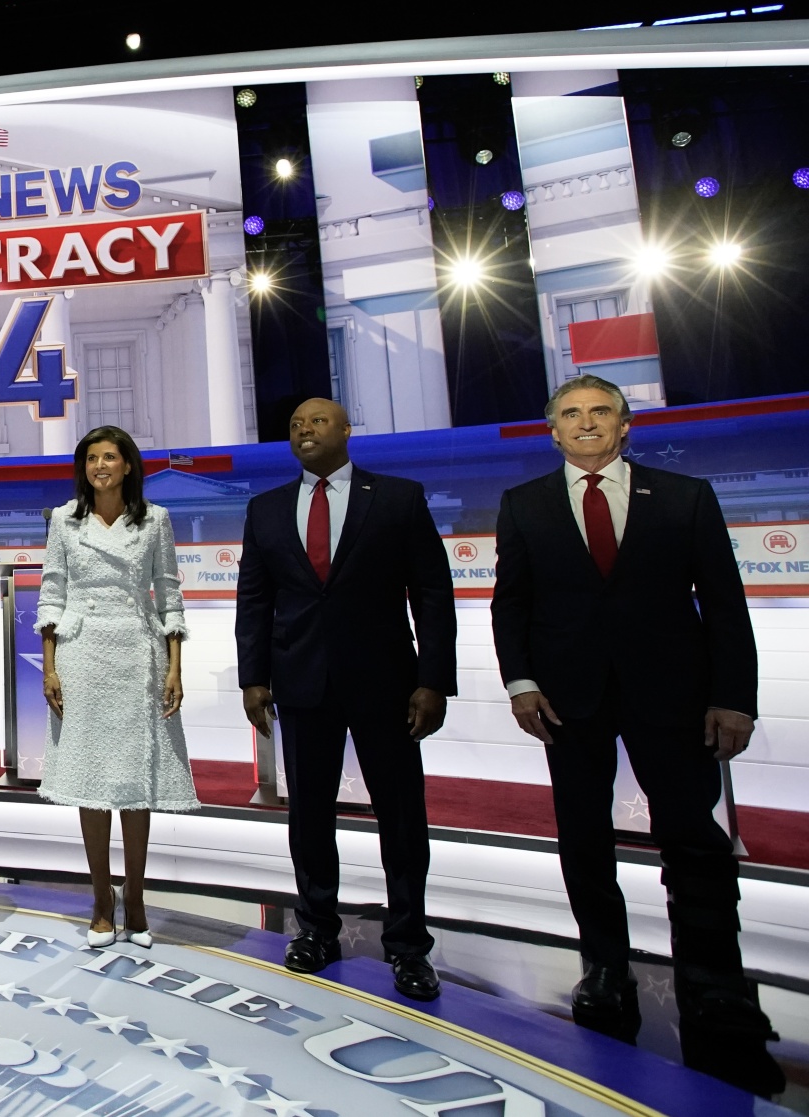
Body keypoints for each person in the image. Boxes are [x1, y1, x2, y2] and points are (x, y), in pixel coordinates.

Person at [493, 375, 781, 1095]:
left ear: (626, 426)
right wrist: (521, 683)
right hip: (568, 699)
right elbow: (512, 605)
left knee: (693, 837)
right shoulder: (523, 504)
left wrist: (733, 698)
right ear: (552, 430)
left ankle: (715, 982)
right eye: (571, 414)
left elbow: (723, 605)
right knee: (583, 837)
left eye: (600, 412)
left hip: (674, 697)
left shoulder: (684, 498)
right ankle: (604, 967)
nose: (585, 423)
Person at [236, 397, 455, 1000]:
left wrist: (433, 680)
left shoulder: (400, 498)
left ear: (347, 431)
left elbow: (432, 594)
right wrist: (252, 678)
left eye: (318, 421)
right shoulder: (266, 509)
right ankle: (316, 929)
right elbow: (253, 601)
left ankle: (409, 945)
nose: (305, 429)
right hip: (300, 682)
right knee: (308, 815)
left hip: (387, 682)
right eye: (295, 423)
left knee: (402, 818)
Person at [38, 426, 198, 948]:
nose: (100, 466)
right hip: (81, 655)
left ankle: (136, 898)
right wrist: (50, 665)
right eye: (91, 458)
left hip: (138, 655)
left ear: (128, 465)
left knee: (134, 782)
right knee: (90, 781)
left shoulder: (156, 521)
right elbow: (52, 593)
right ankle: (101, 899)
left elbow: (169, 596)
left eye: (110, 457)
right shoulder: (64, 520)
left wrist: (174, 666)